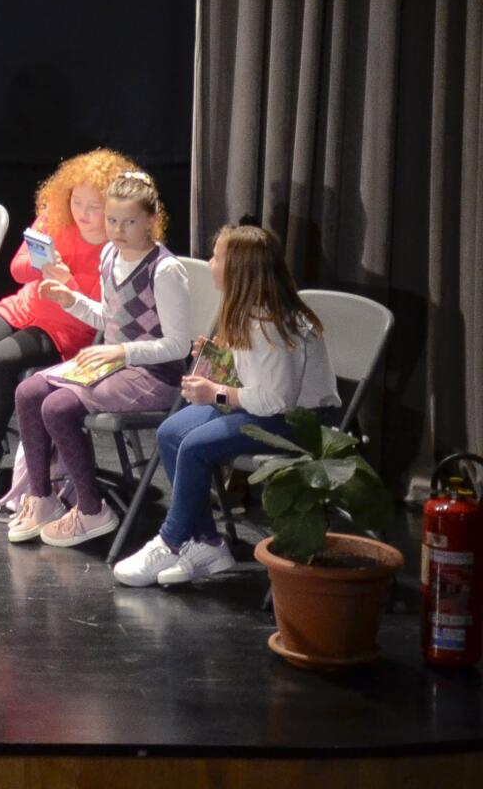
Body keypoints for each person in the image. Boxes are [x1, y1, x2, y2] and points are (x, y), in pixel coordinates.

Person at [112, 220, 338, 587]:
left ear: (239, 270)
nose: (210, 263)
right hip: (260, 406)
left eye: (217, 258)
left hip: (296, 421)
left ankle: (171, 540)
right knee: (171, 432)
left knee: (194, 446)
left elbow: (274, 400)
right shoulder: (247, 309)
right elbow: (254, 375)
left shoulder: (269, 322)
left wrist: (215, 393)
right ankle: (207, 543)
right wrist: (220, 358)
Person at [5, 169, 193, 549]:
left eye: (129, 222)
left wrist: (123, 351)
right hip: (114, 364)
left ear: (151, 220)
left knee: (58, 407)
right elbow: (109, 317)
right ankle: (41, 498)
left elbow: (178, 346)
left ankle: (92, 510)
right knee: (28, 392)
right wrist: (71, 300)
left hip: (153, 376)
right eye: (112, 220)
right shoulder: (109, 255)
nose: (118, 230)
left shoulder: (164, 269)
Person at [0, 148, 138, 498]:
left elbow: (103, 310)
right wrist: (41, 266)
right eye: (77, 202)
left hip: (69, 327)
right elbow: (18, 268)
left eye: (94, 206)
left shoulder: (117, 245)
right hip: (26, 306)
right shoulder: (56, 216)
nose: (83, 213)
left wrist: (69, 285)